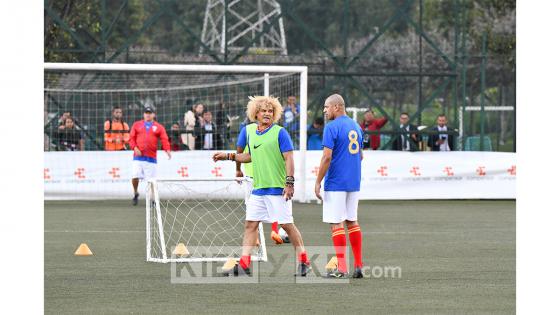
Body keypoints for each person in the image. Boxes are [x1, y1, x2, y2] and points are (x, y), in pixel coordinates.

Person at [213, 96, 310, 277]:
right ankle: (244, 264)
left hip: (277, 189)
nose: (267, 114)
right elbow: (249, 156)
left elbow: (289, 157)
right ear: (255, 113)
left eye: (270, 111)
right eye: (263, 111)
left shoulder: (280, 132)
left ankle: (304, 260)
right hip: (259, 189)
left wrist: (289, 183)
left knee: (287, 225)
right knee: (250, 225)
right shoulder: (253, 133)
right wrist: (228, 156)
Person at [314, 94, 364, 279]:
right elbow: (360, 155)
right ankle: (358, 265)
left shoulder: (331, 127)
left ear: (336, 107)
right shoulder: (356, 126)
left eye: (326, 107)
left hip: (336, 182)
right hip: (354, 181)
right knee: (352, 221)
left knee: (336, 224)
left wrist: (318, 181)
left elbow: (327, 157)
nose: (325, 111)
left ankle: (342, 268)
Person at [236, 123, 290, 245]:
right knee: (273, 206)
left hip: (252, 177)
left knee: (253, 209)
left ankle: (255, 238)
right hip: (267, 177)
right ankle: (274, 231)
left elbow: (239, 150)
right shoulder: (271, 129)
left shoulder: (247, 130)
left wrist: (238, 169)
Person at [129, 107, 171, 206]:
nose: (148, 115)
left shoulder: (159, 127)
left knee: (152, 180)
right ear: (143, 114)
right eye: (146, 113)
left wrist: (167, 149)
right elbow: (131, 138)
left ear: (153, 115)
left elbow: (164, 139)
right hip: (138, 157)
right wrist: (135, 148)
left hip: (151, 158)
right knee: (135, 176)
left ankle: (153, 199)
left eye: (150, 113)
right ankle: (135, 193)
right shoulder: (137, 125)